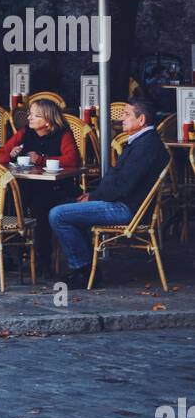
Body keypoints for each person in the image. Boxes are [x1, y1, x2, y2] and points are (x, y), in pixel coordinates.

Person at [49, 97, 170, 288]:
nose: (122, 119)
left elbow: (123, 185)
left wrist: (93, 196)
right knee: (66, 206)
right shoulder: (143, 142)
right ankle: (87, 269)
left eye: (127, 114)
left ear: (141, 120)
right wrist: (92, 196)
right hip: (124, 204)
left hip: (127, 209)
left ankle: (83, 270)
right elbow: (120, 181)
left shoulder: (146, 146)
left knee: (58, 214)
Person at [0, 98, 80, 276]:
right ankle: (11, 254)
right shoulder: (25, 132)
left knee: (41, 206)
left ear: (48, 120)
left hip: (56, 187)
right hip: (27, 183)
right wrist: (11, 154)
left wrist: (42, 160)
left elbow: (72, 160)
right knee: (8, 201)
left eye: (35, 115)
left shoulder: (63, 134)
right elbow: (2, 154)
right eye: (30, 114)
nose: (29, 118)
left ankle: (43, 260)